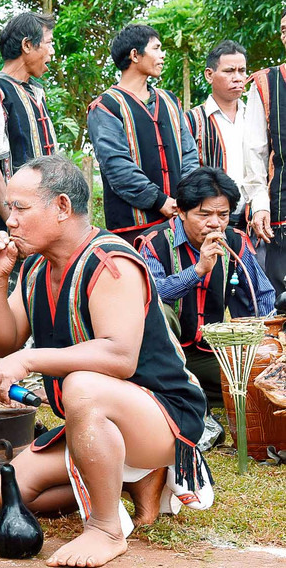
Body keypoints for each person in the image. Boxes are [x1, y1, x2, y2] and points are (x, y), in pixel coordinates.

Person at [0, 155, 212, 568]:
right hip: (93, 415)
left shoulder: (111, 260)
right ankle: (129, 478)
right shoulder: (35, 266)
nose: (9, 220)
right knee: (8, 491)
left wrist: (29, 359)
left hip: (162, 415)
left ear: (63, 208)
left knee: (81, 385)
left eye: (20, 208)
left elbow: (119, 357)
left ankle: (106, 527)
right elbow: (1, 343)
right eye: (9, 208)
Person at [138, 168, 273, 446]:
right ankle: (180, 397)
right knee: (160, 312)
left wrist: (266, 343)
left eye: (222, 215)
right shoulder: (154, 243)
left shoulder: (236, 241)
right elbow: (152, 294)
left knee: (253, 382)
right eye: (204, 214)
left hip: (208, 351)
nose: (215, 224)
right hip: (162, 356)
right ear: (181, 212)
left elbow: (263, 294)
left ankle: (195, 396)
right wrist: (197, 270)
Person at [88, 24, 199, 246]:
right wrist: (160, 201)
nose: (162, 55)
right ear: (135, 55)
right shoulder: (106, 106)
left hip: (180, 224)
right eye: (156, 48)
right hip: (133, 230)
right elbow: (116, 166)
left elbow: (188, 154)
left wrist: (186, 200)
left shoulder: (170, 101)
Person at [0, 12, 58, 239]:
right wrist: (16, 226)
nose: (52, 52)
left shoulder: (36, 92)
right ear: (27, 45)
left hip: (38, 227)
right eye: (49, 43)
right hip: (1, 234)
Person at [185, 41, 258, 228]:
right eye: (229, 71)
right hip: (211, 222)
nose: (238, 78)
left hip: (255, 219)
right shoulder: (192, 121)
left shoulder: (257, 117)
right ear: (209, 75)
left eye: (242, 71)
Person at [244, 9, 286, 296]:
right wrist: (260, 204)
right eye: (284, 29)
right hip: (283, 213)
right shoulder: (267, 84)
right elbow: (254, 151)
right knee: (282, 301)